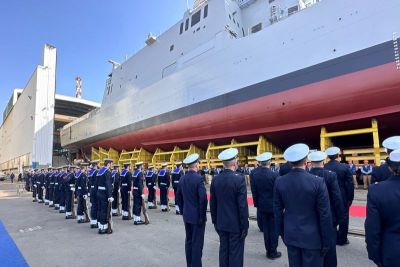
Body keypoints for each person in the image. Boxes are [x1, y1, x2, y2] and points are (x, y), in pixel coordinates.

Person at [274, 144, 332, 267]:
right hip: (313, 237)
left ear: (290, 162)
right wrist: (327, 240)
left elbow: (277, 211)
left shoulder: (280, 181)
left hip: (291, 235)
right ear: (306, 161)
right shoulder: (317, 182)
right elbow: (325, 215)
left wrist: (282, 233)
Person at [210, 148, 249, 267]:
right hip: (235, 225)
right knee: (235, 254)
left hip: (221, 223)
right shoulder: (239, 179)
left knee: (223, 252)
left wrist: (215, 222)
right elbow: (242, 206)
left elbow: (213, 204)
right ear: (234, 163)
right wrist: (244, 226)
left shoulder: (216, 180)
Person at [308, 151, 345, 267]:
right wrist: (339, 218)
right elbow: (337, 198)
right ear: (323, 161)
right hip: (329, 217)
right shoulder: (330, 175)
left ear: (311, 162)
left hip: (311, 219)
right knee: (330, 249)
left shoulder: (305, 175)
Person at [365, 149, 400, 267]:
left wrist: (374, 255)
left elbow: (372, 228)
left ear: (389, 167)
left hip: (393, 252)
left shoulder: (377, 190)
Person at [176, 153, 208, 267]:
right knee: (197, 244)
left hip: (187, 216)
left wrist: (183, 211)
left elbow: (178, 198)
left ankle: (189, 264)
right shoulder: (199, 179)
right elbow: (203, 199)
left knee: (189, 241)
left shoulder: (182, 178)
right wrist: (202, 216)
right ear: (196, 165)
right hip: (197, 217)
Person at [250, 152, 281, 259]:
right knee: (273, 230)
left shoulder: (253, 173)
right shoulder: (275, 175)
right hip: (273, 206)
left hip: (262, 205)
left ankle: (268, 249)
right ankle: (272, 251)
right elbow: (278, 192)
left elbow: (254, 191)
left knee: (266, 230)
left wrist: (257, 204)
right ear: (270, 162)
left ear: (259, 162)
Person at [324, 146, 354, 246]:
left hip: (327, 196)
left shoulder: (324, 167)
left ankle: (331, 236)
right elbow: (349, 185)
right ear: (338, 156)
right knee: (344, 218)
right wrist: (350, 199)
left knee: (329, 216)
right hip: (342, 196)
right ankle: (342, 240)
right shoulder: (345, 167)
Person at [96, 159, 114, 234]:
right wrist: (110, 196)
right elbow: (108, 184)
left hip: (99, 192)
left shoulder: (99, 171)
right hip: (104, 193)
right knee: (104, 210)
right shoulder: (107, 172)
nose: (112, 165)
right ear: (108, 164)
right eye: (111, 164)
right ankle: (103, 227)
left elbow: (96, 183)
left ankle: (100, 225)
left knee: (100, 209)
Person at [88, 160, 100, 228]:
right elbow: (97, 182)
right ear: (96, 164)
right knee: (96, 206)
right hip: (95, 190)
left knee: (93, 206)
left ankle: (93, 221)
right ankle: (95, 221)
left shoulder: (90, 172)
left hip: (91, 190)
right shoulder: (96, 172)